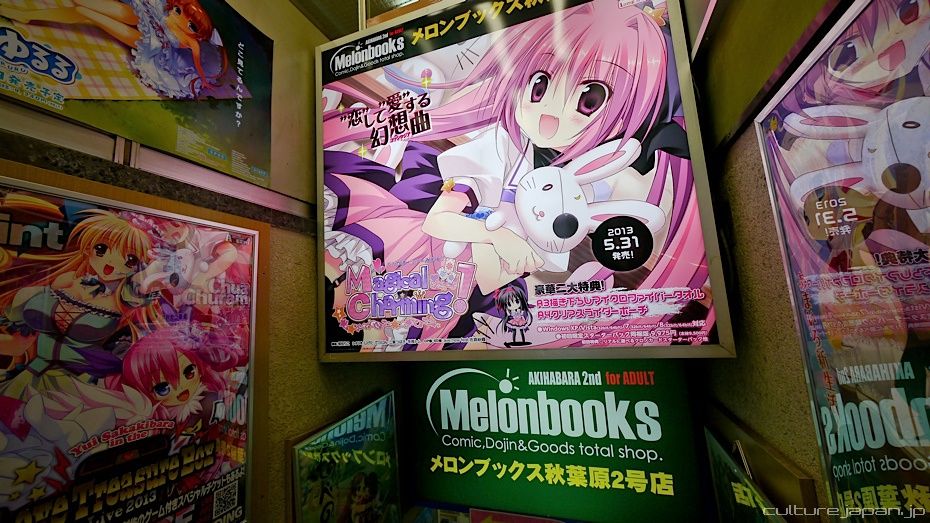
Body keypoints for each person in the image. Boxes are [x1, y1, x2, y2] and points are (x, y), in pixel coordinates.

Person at [323, 1, 706, 350]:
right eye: (540, 85)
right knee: (359, 316)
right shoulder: (499, 149)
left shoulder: (578, 183)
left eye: (589, 100)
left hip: (468, 289)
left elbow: (532, 260)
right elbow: (437, 222)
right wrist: (498, 236)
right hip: (423, 257)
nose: (550, 117)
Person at [0, 209, 165, 399]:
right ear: (88, 248)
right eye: (101, 249)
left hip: (78, 386)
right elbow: (20, 342)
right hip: (32, 375)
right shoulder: (66, 281)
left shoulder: (122, 298)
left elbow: (147, 282)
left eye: (130, 259)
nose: (111, 262)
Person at [0, 0, 228, 98]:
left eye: (191, 24)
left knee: (84, 13)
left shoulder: (187, 42)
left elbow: (193, 61)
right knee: (83, 6)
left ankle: (27, 15)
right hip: (144, 17)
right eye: (179, 11)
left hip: (151, 45)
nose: (180, 17)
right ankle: (28, 15)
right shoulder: (164, 9)